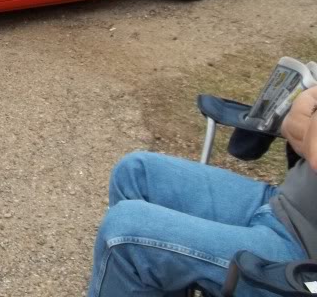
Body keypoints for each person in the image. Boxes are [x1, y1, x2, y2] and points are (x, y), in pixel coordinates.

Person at [87, 85, 317, 296]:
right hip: (286, 203)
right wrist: (300, 118)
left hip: (302, 256)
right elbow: (300, 120)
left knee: (123, 233)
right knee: (136, 172)